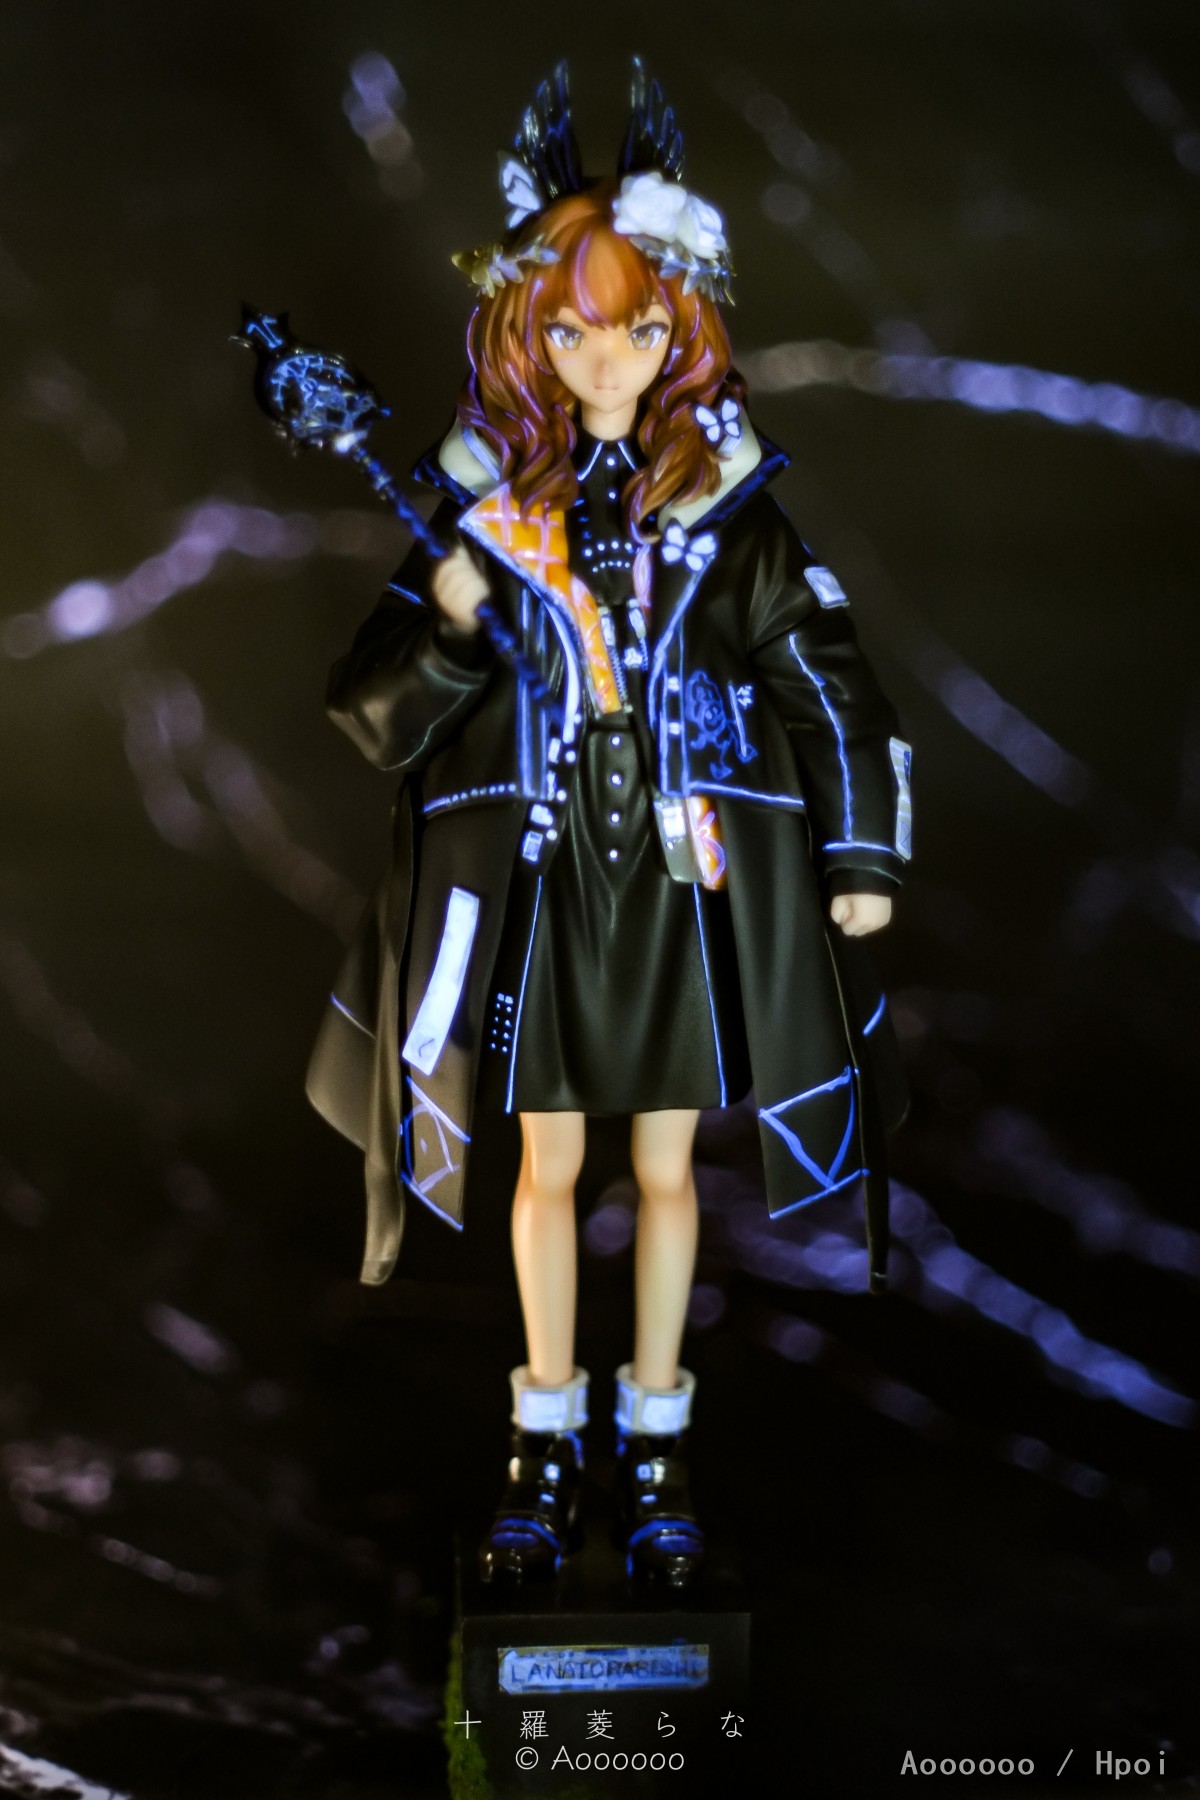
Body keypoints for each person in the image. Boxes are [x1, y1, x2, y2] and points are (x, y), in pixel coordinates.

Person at [305, 61, 912, 1589]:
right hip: (540, 873)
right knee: (545, 1171)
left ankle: (656, 1443)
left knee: (669, 1173)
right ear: (528, 332)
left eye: (637, 328)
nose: (606, 357)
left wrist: (857, 850)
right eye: (572, 329)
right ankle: (540, 1440)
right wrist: (454, 622)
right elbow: (370, 705)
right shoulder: (480, 505)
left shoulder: (727, 507)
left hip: (681, 875)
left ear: (680, 329)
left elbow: (826, 668)